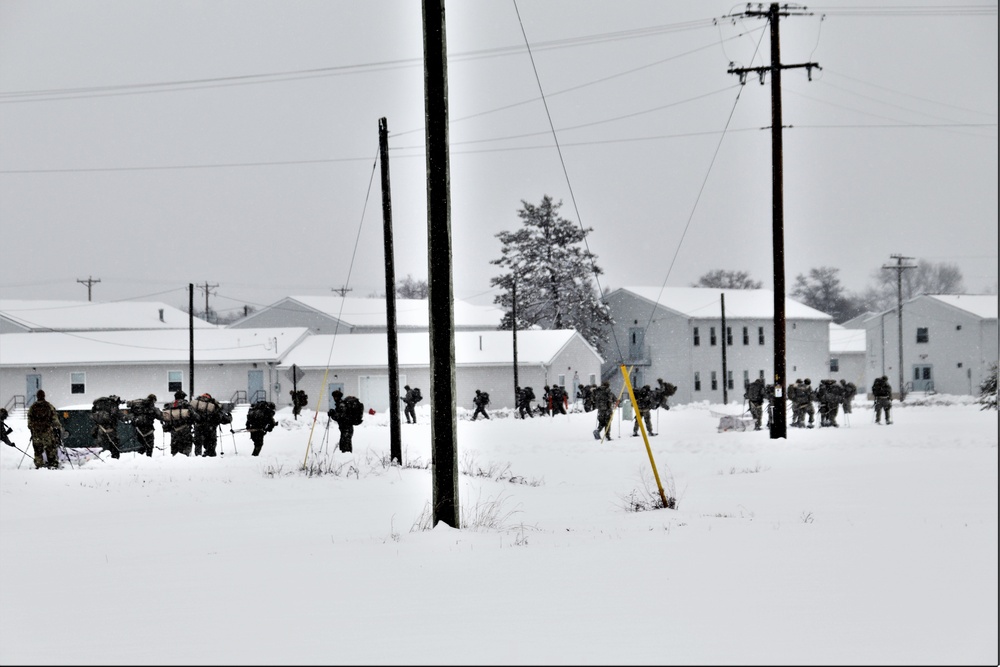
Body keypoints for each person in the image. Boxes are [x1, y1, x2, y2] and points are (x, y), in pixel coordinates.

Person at [26, 389, 62, 469]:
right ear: (44, 396)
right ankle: (52, 464)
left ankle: (39, 464)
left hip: (36, 433)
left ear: (37, 396)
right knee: (50, 449)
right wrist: (57, 428)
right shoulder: (49, 406)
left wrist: (32, 428)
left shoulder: (33, 407)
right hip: (47, 432)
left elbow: (29, 420)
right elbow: (55, 419)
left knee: (38, 450)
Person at [192, 393, 232, 457]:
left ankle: (198, 456)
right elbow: (222, 418)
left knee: (198, 443)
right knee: (211, 444)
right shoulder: (213, 405)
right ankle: (210, 454)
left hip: (198, 428)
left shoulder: (196, 405)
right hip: (210, 429)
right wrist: (229, 417)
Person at [162, 390, 199, 456]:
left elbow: (164, 417)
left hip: (174, 430)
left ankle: (175, 457)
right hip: (185, 429)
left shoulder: (169, 405)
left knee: (175, 447)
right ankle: (185, 457)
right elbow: (195, 416)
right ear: (183, 397)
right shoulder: (186, 404)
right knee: (186, 446)